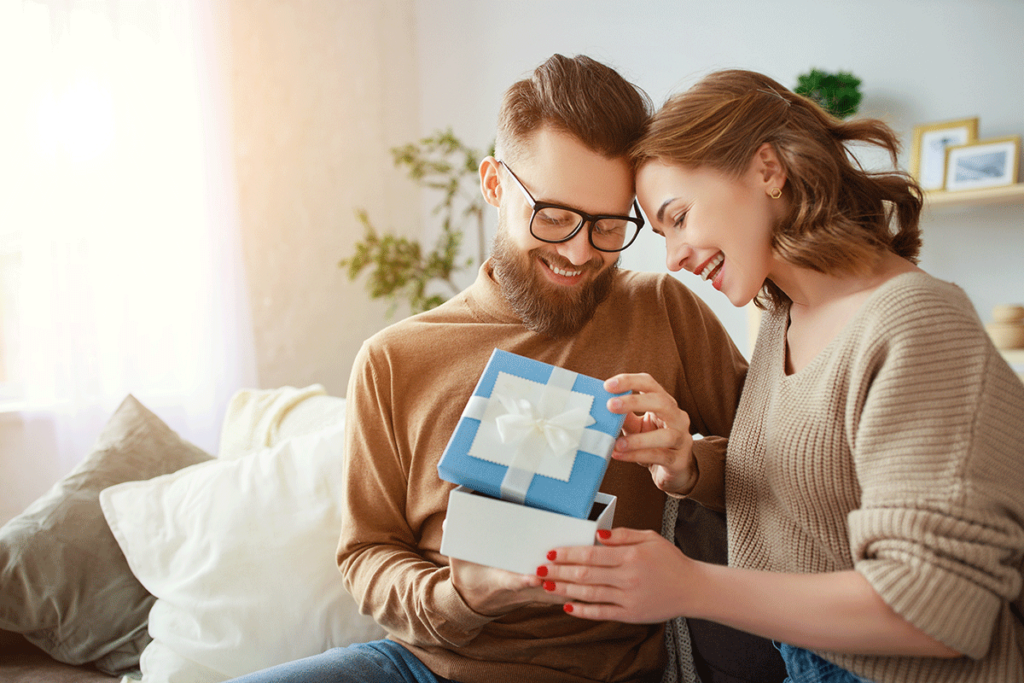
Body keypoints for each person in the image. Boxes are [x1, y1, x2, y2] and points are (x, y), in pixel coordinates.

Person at [224, 55, 752, 683]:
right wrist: (462, 597)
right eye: (553, 217)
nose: (579, 252)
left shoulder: (663, 311)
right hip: (424, 667)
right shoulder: (394, 361)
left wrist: (690, 464)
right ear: (496, 185)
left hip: (606, 671)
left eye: (608, 226)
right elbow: (367, 555)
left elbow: (789, 470)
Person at [540, 68, 1024, 683]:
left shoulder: (915, 325)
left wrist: (689, 585)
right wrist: (688, 464)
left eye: (680, 216)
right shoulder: (784, 316)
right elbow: (808, 484)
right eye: (661, 234)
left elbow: (935, 608)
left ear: (768, 170)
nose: (675, 258)